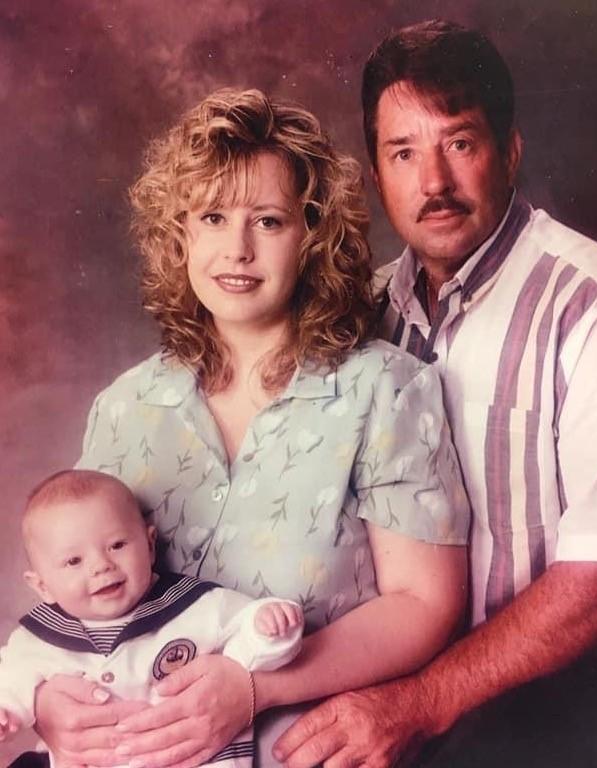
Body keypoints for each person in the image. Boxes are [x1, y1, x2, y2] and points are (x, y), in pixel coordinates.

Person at [24, 88, 470, 767]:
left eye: (268, 221)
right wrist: (50, 697)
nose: (237, 249)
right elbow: (78, 589)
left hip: (307, 752)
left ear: (312, 236)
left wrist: (256, 686)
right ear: (180, 235)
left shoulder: (385, 389)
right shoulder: (125, 406)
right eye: (212, 217)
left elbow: (424, 604)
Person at [271, 19, 597, 768]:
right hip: (392, 677)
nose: (433, 183)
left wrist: (424, 702)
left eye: (459, 143)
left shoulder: (587, 299)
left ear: (511, 151)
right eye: (404, 153)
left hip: (552, 690)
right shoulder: (364, 314)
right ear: (375, 175)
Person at [1, 469, 304, 768]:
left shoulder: (192, 604)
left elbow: (248, 639)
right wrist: (5, 708)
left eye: (117, 545)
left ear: (149, 544)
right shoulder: (39, 637)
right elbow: (13, 679)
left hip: (193, 757)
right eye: (73, 561)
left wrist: (267, 629)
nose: (101, 566)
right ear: (42, 585)